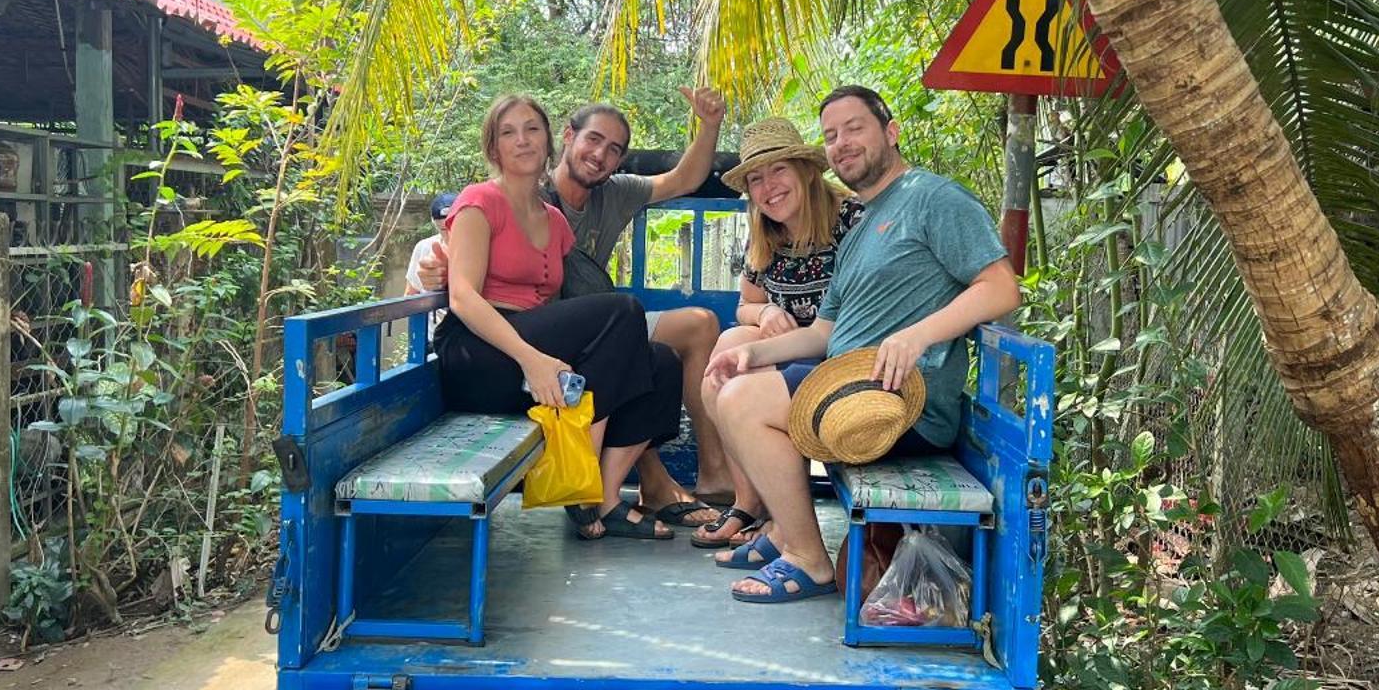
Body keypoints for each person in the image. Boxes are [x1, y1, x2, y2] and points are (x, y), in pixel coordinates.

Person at [703, 85, 1020, 603]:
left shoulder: (932, 197)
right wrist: (750, 353)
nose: (843, 143)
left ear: (890, 133)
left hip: (901, 403)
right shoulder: (861, 225)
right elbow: (823, 333)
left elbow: (1002, 288)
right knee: (730, 379)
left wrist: (919, 334)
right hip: (848, 386)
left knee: (742, 401)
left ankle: (807, 557)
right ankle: (783, 532)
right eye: (831, 135)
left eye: (855, 128)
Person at [408, 91, 735, 525]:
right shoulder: (479, 200)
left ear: (547, 140)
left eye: (531, 130)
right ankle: (584, 490)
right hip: (480, 355)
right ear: (495, 147)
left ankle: (604, 490)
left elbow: (551, 302)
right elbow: (464, 296)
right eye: (509, 133)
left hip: (530, 351)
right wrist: (534, 361)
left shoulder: (556, 222)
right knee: (624, 311)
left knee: (658, 361)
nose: (522, 140)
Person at [689, 116, 864, 550]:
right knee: (728, 346)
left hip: (840, 354)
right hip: (788, 354)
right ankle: (751, 503)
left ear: (805, 171)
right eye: (757, 179)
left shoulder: (850, 219)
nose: (769, 188)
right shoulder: (765, 232)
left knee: (739, 371)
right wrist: (765, 311)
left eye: (779, 170)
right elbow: (744, 305)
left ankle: (786, 520)